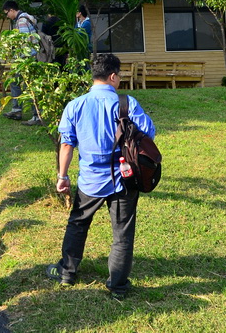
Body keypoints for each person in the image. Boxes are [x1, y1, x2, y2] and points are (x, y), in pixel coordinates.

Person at [45, 54, 156, 298]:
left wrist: (62, 176)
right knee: (122, 234)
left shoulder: (75, 105)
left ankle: (67, 272)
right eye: (120, 76)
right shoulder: (126, 103)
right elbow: (149, 131)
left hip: (89, 181)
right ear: (113, 76)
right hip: (123, 180)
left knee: (77, 224)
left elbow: (66, 145)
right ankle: (117, 287)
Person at [1, 0, 39, 124]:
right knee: (18, 83)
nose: (7, 16)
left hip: (27, 59)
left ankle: (35, 116)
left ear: (12, 10)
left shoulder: (21, 21)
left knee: (27, 86)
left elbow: (24, 42)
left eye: (7, 13)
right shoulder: (27, 18)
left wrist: (19, 59)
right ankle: (19, 110)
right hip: (32, 57)